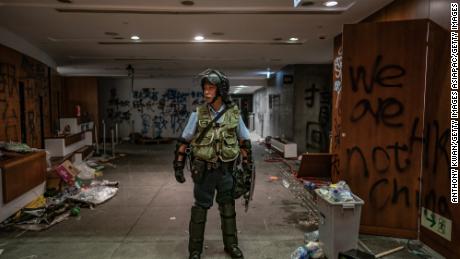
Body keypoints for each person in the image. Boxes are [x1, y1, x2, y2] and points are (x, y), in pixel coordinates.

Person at [173, 69, 253, 259]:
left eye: (210, 88)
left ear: (221, 91)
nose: (206, 92)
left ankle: (231, 245)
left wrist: (248, 169)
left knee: (228, 209)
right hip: (204, 172)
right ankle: (195, 250)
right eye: (205, 88)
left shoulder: (234, 114)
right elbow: (184, 142)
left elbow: (244, 143)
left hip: (227, 172)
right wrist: (178, 166)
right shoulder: (198, 113)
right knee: (200, 210)